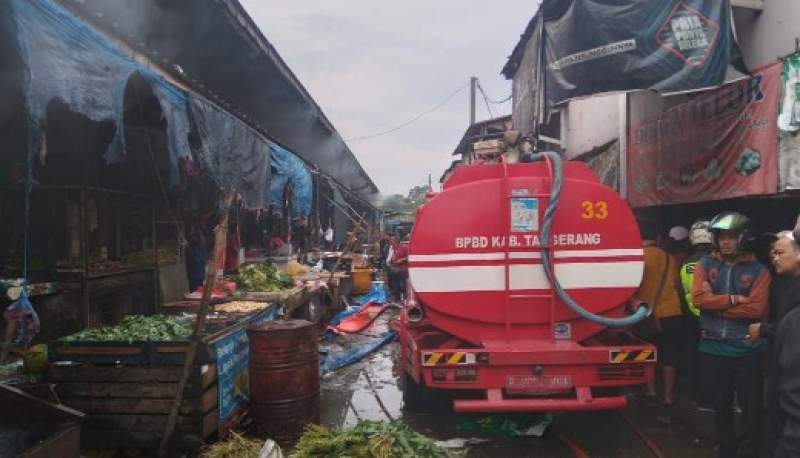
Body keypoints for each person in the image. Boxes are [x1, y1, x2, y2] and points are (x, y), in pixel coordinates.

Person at [692, 211, 770, 458]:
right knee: (720, 406)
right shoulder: (705, 264)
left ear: (743, 238)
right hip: (713, 348)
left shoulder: (760, 270)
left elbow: (757, 308)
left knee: (751, 408)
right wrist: (734, 300)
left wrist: (716, 308)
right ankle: (726, 450)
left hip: (746, 349)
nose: (725, 241)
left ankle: (750, 451)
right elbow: (698, 299)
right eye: (721, 236)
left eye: (731, 237)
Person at [748, 230, 800, 456]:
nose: (774, 258)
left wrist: (764, 329)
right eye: (772, 254)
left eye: (780, 252)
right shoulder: (782, 283)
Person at [634, 224, 683, 406]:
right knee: (670, 355)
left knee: (647, 354)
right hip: (672, 312)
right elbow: (677, 284)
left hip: (646, 314)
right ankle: (669, 396)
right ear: (657, 238)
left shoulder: (638, 257)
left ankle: (651, 391)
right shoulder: (669, 257)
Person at [387, 234, 409, 302]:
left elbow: (409, 257)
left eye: (392, 240)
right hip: (394, 270)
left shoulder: (404, 247)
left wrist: (402, 260)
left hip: (403, 269)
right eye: (390, 240)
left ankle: (405, 299)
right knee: (395, 286)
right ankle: (397, 300)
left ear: (396, 241)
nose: (390, 241)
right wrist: (390, 263)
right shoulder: (392, 248)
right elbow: (389, 259)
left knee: (403, 285)